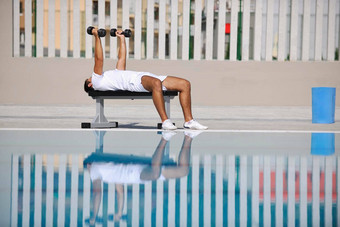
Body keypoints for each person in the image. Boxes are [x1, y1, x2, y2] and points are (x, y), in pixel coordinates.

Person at [84, 28, 208, 130]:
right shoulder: (97, 81)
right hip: (134, 83)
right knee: (156, 83)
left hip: (144, 77)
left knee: (184, 84)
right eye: (89, 78)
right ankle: (165, 121)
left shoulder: (113, 75)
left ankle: (189, 121)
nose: (91, 76)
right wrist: (96, 36)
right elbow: (99, 59)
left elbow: (121, 58)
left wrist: (121, 39)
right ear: (90, 85)